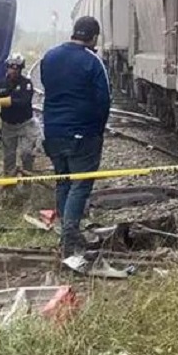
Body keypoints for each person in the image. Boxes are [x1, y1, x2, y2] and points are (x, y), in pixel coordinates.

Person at [40, 16, 111, 258]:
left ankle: (64, 230)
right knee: (80, 185)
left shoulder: (49, 57)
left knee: (63, 181)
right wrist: (97, 131)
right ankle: (69, 237)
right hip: (82, 134)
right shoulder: (92, 61)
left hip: (52, 132)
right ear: (94, 37)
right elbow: (104, 101)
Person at [0, 52, 38, 176]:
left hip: (25, 123)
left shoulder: (26, 83)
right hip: (8, 125)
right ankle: (9, 189)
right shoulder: (1, 84)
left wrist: (6, 101)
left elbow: (24, 101)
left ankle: (27, 182)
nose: (14, 70)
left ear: (21, 69)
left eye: (17, 68)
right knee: (9, 157)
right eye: (11, 67)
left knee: (26, 153)